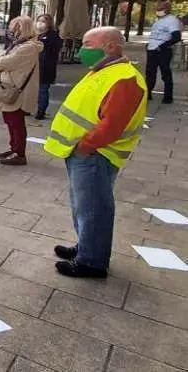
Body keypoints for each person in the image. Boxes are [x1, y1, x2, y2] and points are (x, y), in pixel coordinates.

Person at [44, 27, 147, 278]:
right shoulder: (105, 71)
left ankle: (91, 261)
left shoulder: (124, 78)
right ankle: (86, 247)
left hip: (96, 153)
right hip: (83, 151)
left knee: (93, 207)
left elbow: (112, 124)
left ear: (111, 46)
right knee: (83, 205)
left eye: (89, 44)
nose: (82, 50)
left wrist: (86, 146)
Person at [0, 17, 42, 166]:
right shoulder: (17, 45)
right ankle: (14, 148)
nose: (11, 32)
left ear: (22, 29)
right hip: (9, 86)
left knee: (16, 121)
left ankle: (19, 153)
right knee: (10, 120)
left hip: (17, 89)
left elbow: (4, 62)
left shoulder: (28, 47)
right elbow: (0, 60)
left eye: (14, 28)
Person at [145, 0, 182, 104]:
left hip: (162, 51)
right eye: (157, 9)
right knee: (150, 73)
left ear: (166, 9)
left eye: (160, 9)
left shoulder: (172, 20)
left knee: (165, 73)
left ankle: (168, 97)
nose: (158, 11)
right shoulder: (159, 20)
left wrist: (162, 46)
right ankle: (148, 93)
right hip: (152, 49)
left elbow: (176, 37)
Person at [35, 14, 62, 120]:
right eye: (39, 21)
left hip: (46, 67)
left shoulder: (53, 35)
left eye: (43, 21)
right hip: (35, 65)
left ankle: (41, 111)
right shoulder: (36, 34)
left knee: (42, 89)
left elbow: (53, 51)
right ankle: (29, 108)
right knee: (33, 89)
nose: (40, 23)